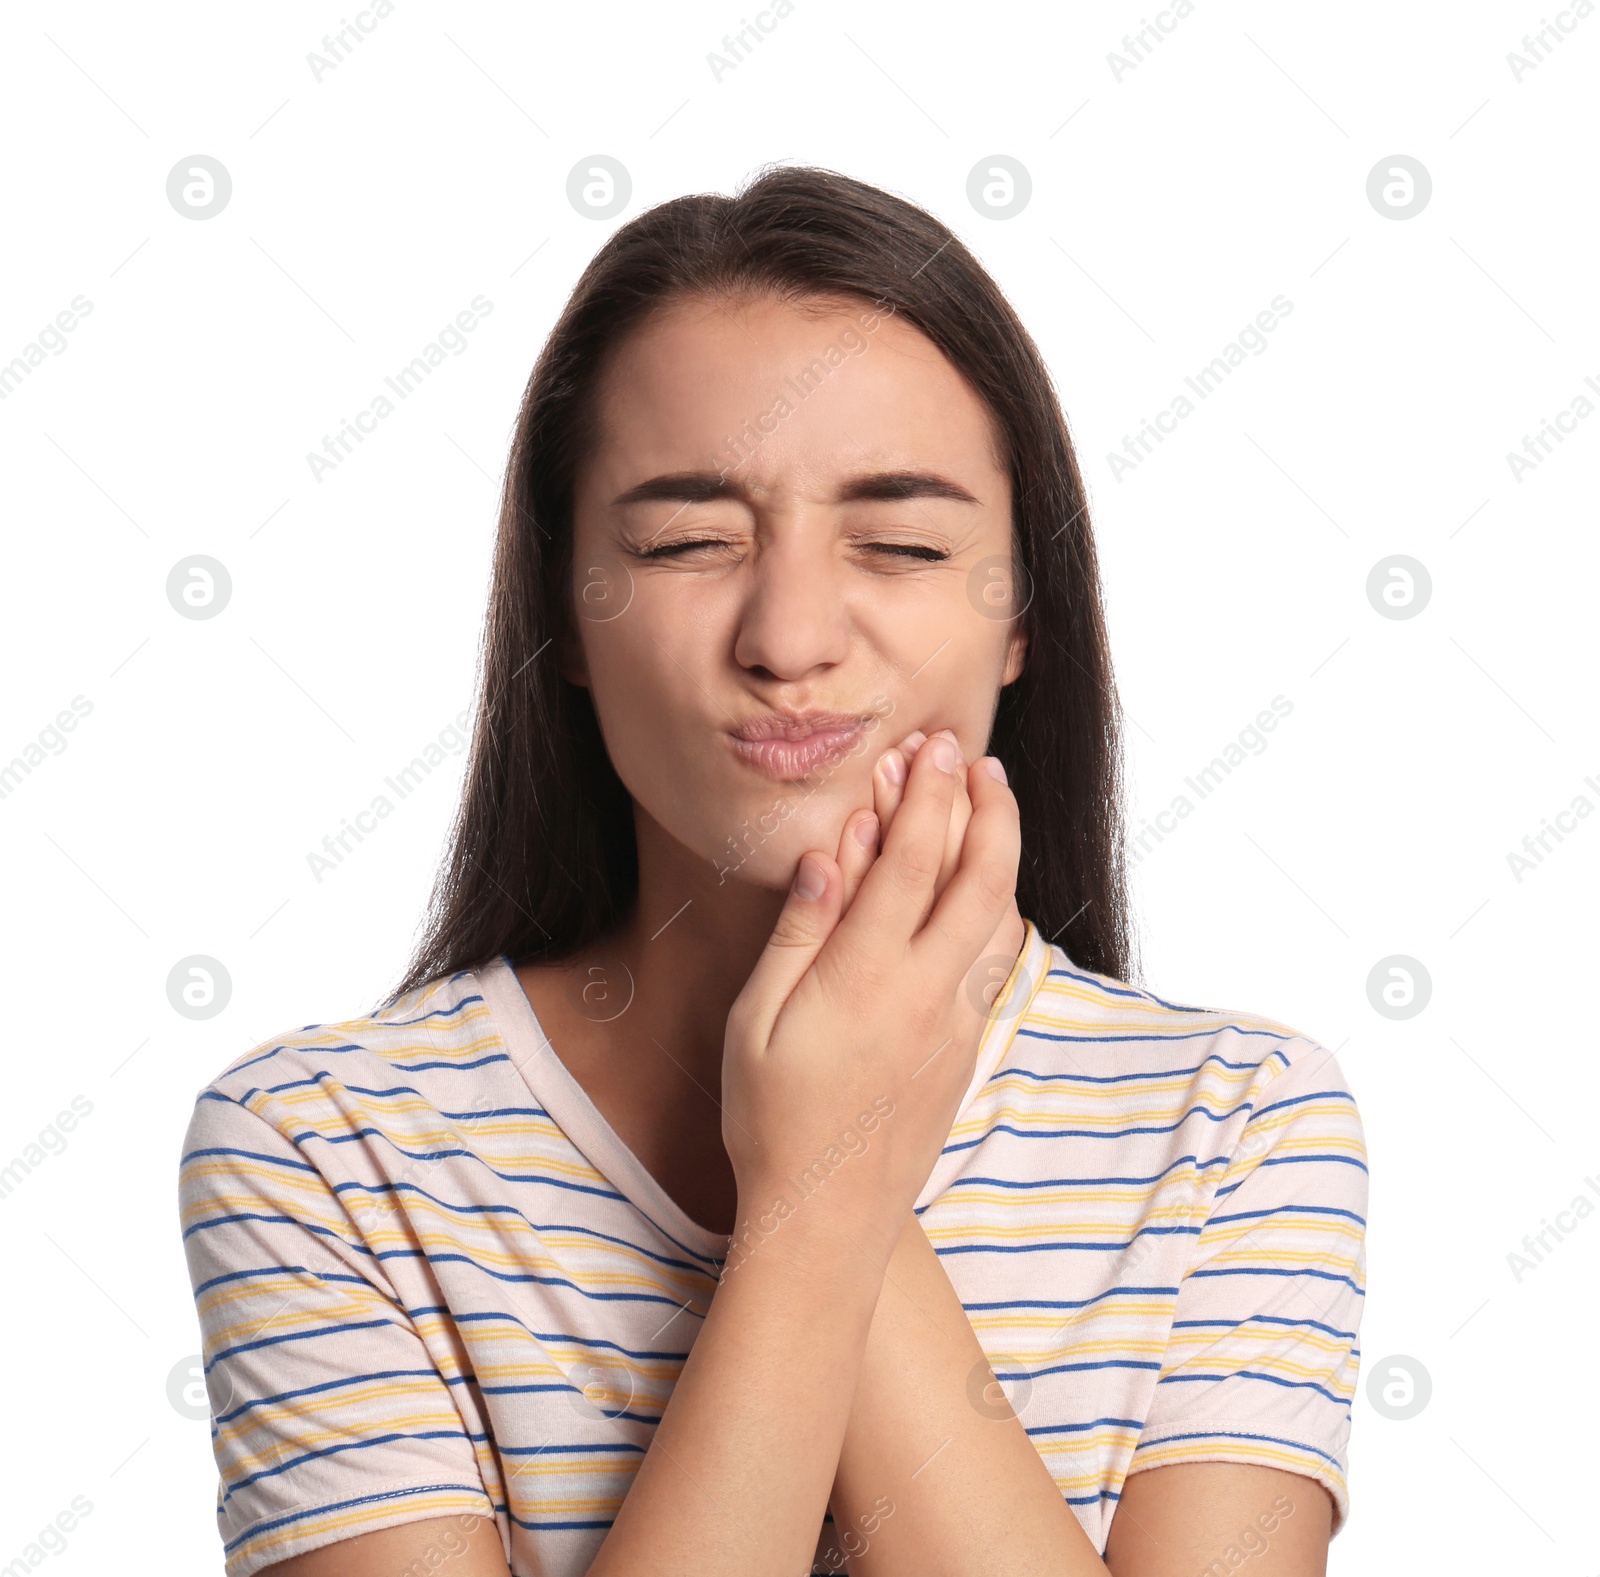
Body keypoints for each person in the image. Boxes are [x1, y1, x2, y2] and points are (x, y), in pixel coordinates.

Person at [178, 165, 1366, 1577]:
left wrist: (833, 1146)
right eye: (689, 541)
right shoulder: (323, 1146)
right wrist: (819, 1178)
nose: (791, 635)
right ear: (563, 609)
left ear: (1022, 618)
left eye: (904, 543)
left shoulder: (1238, 1122)